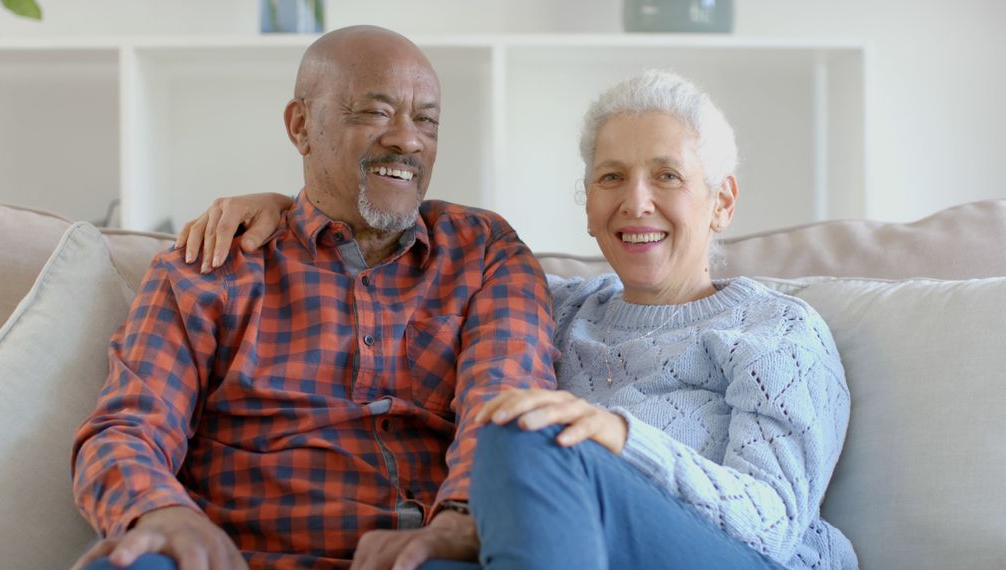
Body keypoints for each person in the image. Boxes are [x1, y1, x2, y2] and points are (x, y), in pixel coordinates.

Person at [181, 71, 857, 569]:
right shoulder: (550, 307)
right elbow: (396, 271)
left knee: (524, 430)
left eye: (668, 177)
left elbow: (773, 524)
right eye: (612, 178)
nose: (637, 202)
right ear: (588, 204)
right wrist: (284, 208)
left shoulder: (777, 331)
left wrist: (618, 437)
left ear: (722, 201)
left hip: (736, 559)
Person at [71, 25, 558, 570]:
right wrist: (160, 512)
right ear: (301, 125)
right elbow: (127, 428)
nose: (408, 139)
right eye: (376, 112)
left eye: (426, 120)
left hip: (421, 557)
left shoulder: (484, 251)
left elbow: (508, 406)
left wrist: (461, 519)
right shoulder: (212, 267)